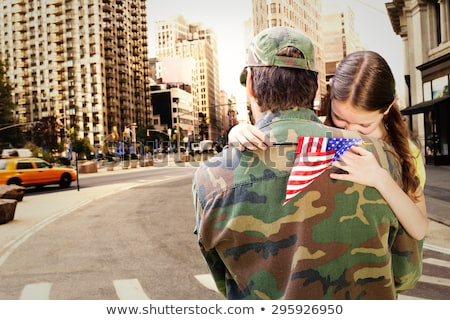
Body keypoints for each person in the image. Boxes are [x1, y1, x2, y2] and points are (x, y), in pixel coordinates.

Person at [192, 27, 422, 299]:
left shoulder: (212, 177)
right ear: (315, 87)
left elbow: (224, 278)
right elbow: (406, 273)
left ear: (251, 84)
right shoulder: (379, 157)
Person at [229, 50, 428, 241]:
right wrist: (238, 132)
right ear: (331, 92)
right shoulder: (317, 129)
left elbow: (419, 229)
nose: (352, 130)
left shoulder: (404, 150)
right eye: (340, 118)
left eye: (364, 125)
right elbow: (281, 145)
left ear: (387, 108)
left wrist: (381, 178)